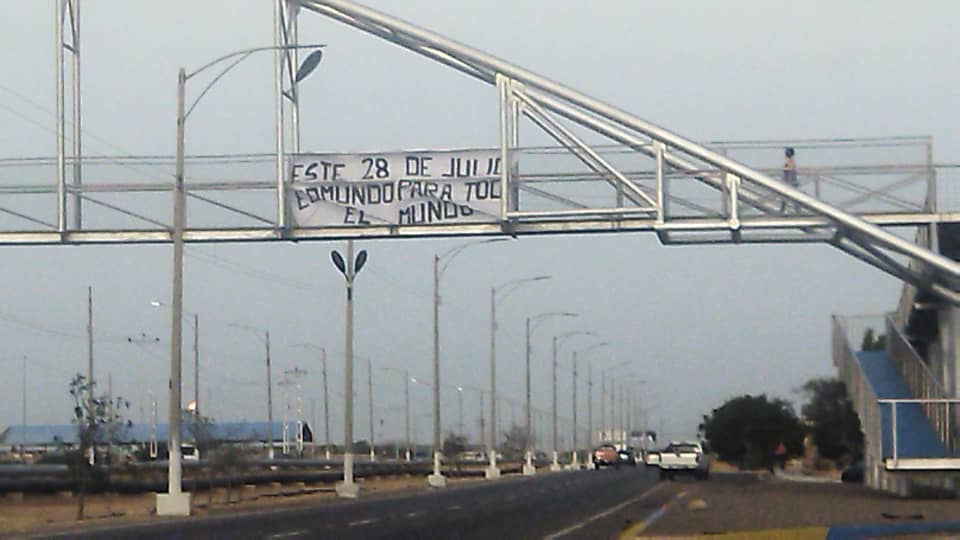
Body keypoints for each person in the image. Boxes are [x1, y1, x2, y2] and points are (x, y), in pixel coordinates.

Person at [780, 147, 798, 213]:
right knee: (794, 200)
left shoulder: (789, 162)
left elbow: (787, 171)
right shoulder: (790, 162)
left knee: (792, 199)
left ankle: (782, 212)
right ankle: (797, 212)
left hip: (789, 183)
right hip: (790, 183)